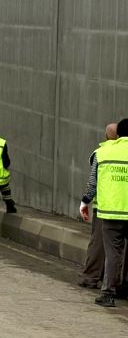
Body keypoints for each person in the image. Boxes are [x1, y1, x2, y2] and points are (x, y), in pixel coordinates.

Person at [81, 118, 128, 307]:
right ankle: (124, 287)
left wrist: (84, 201)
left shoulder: (102, 152)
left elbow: (92, 183)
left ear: (118, 135)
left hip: (110, 213)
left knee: (113, 253)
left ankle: (108, 293)